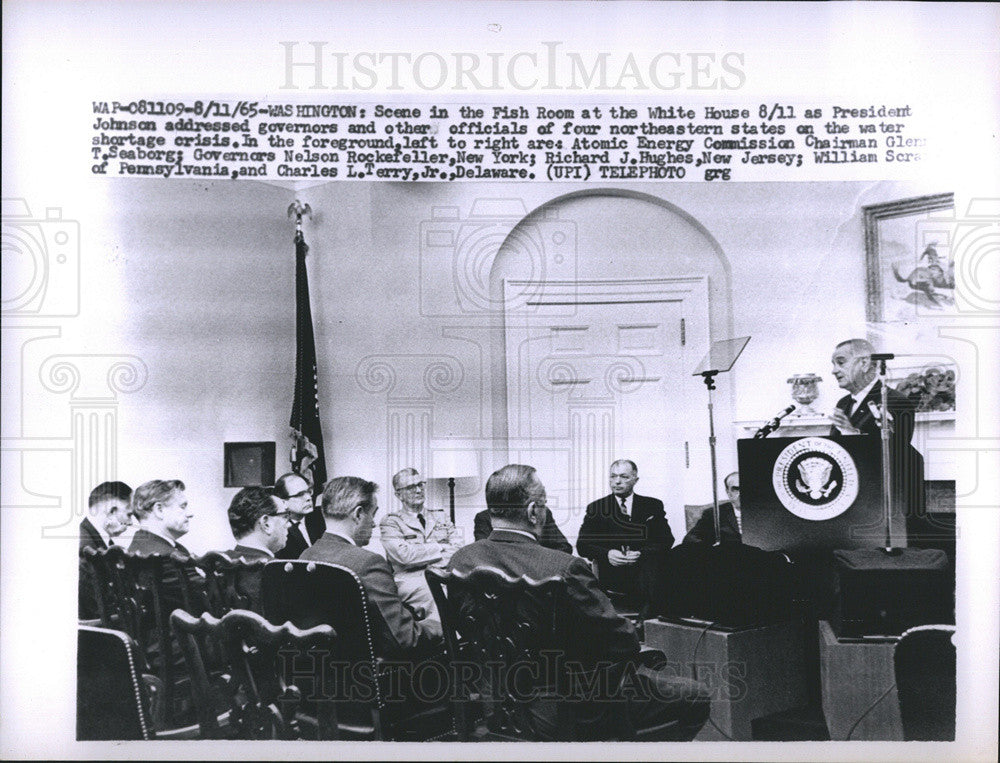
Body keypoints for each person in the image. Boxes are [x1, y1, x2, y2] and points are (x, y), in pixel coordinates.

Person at [447, 464, 710, 741]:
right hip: (573, 709)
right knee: (695, 695)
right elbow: (622, 643)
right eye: (545, 504)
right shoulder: (564, 567)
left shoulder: (460, 561)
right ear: (534, 511)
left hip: (495, 706)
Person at [300, 476, 443, 658]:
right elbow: (405, 639)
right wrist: (438, 625)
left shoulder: (306, 556)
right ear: (358, 514)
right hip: (380, 675)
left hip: (330, 669)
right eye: (372, 514)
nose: (374, 524)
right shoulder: (368, 563)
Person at [829, 338, 925, 541]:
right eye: (833, 364)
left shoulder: (896, 401)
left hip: (884, 510)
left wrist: (852, 435)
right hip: (849, 505)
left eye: (840, 362)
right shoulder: (843, 403)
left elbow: (897, 454)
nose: (834, 370)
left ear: (864, 363)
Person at [576, 460, 673, 614]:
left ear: (635, 479)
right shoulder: (597, 508)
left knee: (658, 566)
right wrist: (607, 554)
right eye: (613, 476)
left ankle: (648, 619)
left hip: (646, 569)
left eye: (624, 477)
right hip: (613, 573)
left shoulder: (652, 505)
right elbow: (583, 545)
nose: (617, 481)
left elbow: (666, 540)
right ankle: (648, 618)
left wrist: (642, 553)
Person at [379, 468, 463, 620]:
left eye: (420, 485)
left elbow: (458, 549)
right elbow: (405, 556)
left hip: (444, 572)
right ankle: (448, 641)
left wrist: (423, 555)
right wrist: (439, 546)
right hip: (411, 579)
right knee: (435, 595)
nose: (418, 490)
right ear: (399, 494)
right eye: (411, 487)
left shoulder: (440, 516)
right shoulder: (391, 522)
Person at [79, 481, 133, 619]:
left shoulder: (90, 539)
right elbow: (94, 612)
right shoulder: (85, 549)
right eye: (128, 514)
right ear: (111, 511)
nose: (131, 522)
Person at [129, 479, 195, 556]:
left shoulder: (144, 550)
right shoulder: (164, 559)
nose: (190, 514)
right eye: (182, 507)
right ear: (159, 510)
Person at [226, 486, 291, 561]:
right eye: (285, 517)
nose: (289, 524)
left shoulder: (218, 563)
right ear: (266, 524)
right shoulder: (276, 570)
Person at [473, 505, 572, 553]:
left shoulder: (540, 513)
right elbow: (482, 553)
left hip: (540, 579)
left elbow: (564, 548)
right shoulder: (485, 517)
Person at [274, 471, 325, 559]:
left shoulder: (321, 517)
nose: (309, 498)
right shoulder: (278, 530)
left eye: (309, 491)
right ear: (283, 502)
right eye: (300, 494)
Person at [682, 471, 742, 545]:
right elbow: (690, 539)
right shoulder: (714, 513)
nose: (741, 493)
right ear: (728, 492)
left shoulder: (759, 512)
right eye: (736, 489)